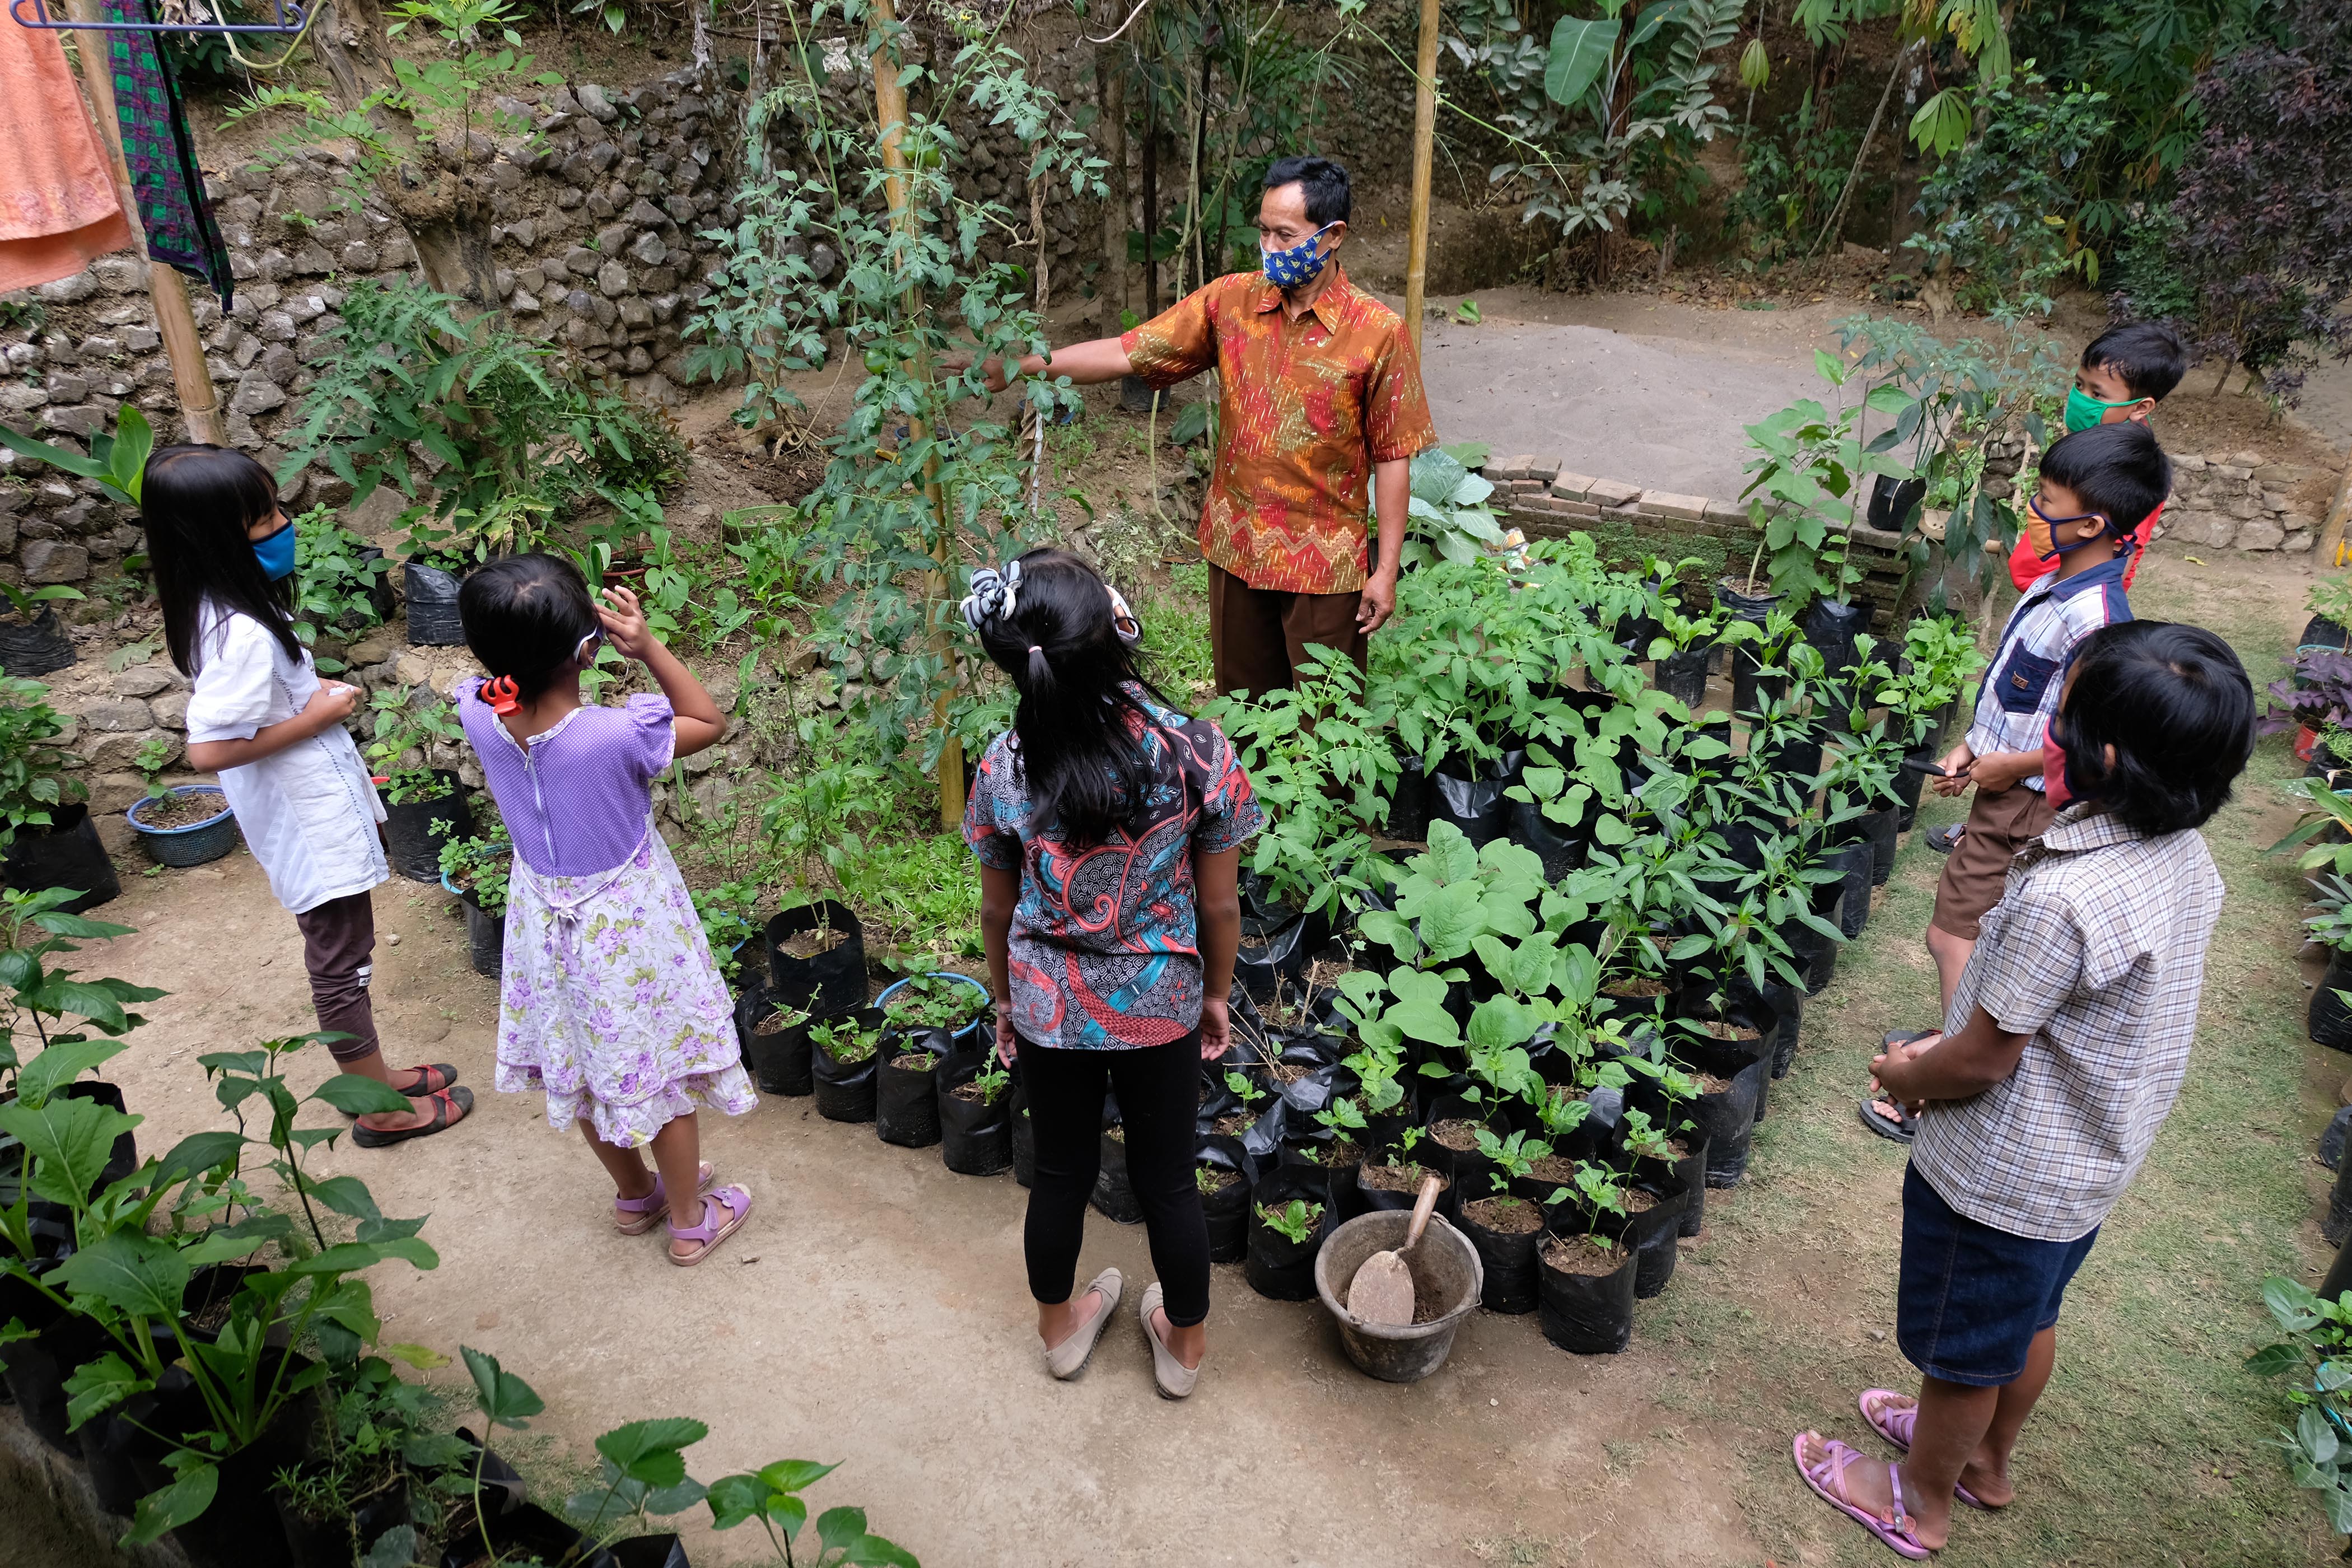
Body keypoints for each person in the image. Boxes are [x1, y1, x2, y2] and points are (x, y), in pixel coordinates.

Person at [1797, 619, 2253, 1560]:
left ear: (2110, 755)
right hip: (2086, 1162)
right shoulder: (2183, 860)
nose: (2052, 732)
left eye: (2068, 719)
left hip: (2000, 1182)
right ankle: (1985, 1462)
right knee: (2029, 1316)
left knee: (1963, 1351)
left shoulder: (2062, 898)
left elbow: (1980, 1059)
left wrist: (1905, 1072)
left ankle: (1917, 1499)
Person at [954, 155, 1436, 696]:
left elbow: (1395, 455)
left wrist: (1385, 568)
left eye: (1286, 235)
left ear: (1332, 236)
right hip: (1237, 549)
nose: (1272, 248)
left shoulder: (1378, 333)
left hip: (1323, 569)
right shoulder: (1232, 302)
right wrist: (1021, 367)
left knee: (1326, 723)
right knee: (1243, 708)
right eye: (1264, 232)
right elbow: (1125, 353)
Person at [961, 548, 1261, 1397]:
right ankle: (1184, 1347)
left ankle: (1061, 1332)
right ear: (1115, 630)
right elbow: (1221, 909)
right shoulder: (1196, 750)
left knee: (1060, 1172)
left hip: (1051, 1007)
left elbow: (995, 910)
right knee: (1168, 1177)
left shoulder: (1005, 765)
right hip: (1160, 1001)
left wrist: (1006, 1002)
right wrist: (1211, 995)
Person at [152, 445, 469, 1147]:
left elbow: (254, 710)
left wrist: (305, 699)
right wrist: (317, 715)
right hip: (305, 821)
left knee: (344, 948)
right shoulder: (238, 633)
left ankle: (378, 1077)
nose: (283, 523)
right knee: (341, 958)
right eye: (264, 516)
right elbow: (207, 748)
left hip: (309, 805)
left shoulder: (223, 606)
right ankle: (378, 1109)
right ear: (215, 537)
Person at [1863, 419, 2171, 1143]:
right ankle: (1960, 1039)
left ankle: (1947, 1068)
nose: (2032, 512)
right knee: (1972, 929)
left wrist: (2014, 768)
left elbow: (2087, 736)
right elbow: (2019, 693)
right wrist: (1976, 742)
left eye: (2046, 502)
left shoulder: (2097, 620)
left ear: (2092, 523)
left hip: (2025, 803)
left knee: (1953, 931)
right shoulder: (2058, 587)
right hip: (2005, 787)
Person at [453, 556, 758, 1263]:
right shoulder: (615, 736)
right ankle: (690, 1220)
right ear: (589, 646)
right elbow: (707, 719)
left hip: (542, 920)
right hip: (626, 926)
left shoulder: (476, 709)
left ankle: (636, 1194)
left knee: (587, 1067)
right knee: (661, 1069)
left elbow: (497, 688)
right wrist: (648, 646)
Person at [1933, 321, 2187, 856]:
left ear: (2141, 408)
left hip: (2071, 596)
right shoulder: (2087, 452)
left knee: (2055, 700)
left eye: (2099, 394)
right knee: (2018, 687)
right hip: (2047, 586)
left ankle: (2019, 819)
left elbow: (2109, 550)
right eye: (2081, 385)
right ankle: (1992, 814)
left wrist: (2059, 561)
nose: (2082, 399)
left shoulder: (2126, 474)